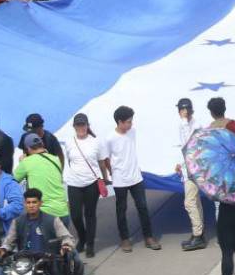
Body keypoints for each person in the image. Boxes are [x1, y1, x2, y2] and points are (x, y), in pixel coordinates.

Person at [104, 106, 160, 251]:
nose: (131, 124)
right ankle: (125, 239)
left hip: (136, 177)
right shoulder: (110, 138)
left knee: (143, 207)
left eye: (131, 121)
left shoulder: (132, 132)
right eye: (128, 121)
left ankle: (149, 237)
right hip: (120, 180)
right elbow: (106, 158)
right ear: (119, 122)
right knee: (121, 210)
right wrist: (112, 172)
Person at [60, 113, 108, 259]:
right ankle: (82, 237)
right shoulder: (69, 142)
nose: (81, 127)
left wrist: (104, 179)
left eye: (83, 125)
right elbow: (69, 161)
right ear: (74, 127)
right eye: (78, 125)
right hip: (74, 183)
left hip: (91, 183)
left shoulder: (96, 142)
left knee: (90, 214)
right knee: (75, 215)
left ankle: (90, 244)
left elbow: (101, 163)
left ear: (87, 126)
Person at [174, 98, 207, 251]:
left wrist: (184, 120)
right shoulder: (185, 125)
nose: (180, 113)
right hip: (188, 167)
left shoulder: (194, 125)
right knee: (195, 201)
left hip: (195, 169)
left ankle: (198, 235)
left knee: (189, 202)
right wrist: (180, 164)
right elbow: (183, 147)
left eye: (181, 110)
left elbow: (190, 145)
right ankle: (199, 234)